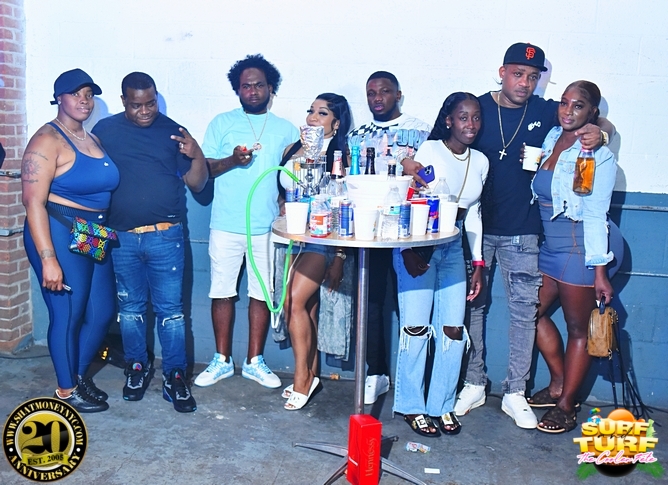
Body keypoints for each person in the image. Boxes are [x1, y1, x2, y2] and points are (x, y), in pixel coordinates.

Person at [405, 43, 614, 429]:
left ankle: (515, 391)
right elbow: (439, 143)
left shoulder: (545, 111)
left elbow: (592, 119)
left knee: (523, 313)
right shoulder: (478, 109)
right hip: (477, 229)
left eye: (533, 77)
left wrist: (600, 134)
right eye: (518, 74)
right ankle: (474, 382)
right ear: (502, 72)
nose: (525, 83)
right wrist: (410, 161)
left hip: (525, 232)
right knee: (473, 309)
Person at [92, 72, 208, 413]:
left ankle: (175, 377)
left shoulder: (174, 131)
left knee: (171, 313)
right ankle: (136, 369)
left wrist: (196, 153)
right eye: (136, 105)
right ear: (123, 101)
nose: (145, 111)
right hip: (122, 238)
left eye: (151, 103)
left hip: (166, 236)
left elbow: (198, 184)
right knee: (130, 311)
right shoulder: (105, 131)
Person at [196, 54, 299, 390]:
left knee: (261, 294)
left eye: (258, 85)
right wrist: (232, 160)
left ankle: (255, 361)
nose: (252, 91)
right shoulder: (221, 123)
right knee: (221, 292)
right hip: (225, 224)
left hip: (267, 227)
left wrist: (286, 202)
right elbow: (205, 170)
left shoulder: (286, 129)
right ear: (237, 90)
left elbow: (292, 176)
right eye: (245, 86)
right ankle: (222, 360)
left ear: (271, 88)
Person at [22, 68, 119, 413]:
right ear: (58, 98)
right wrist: (48, 258)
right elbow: (33, 202)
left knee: (102, 310)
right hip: (59, 229)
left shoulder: (91, 139)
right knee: (68, 313)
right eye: (75, 94)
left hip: (91, 233)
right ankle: (66, 391)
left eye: (89, 94)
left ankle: (76, 376)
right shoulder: (47, 140)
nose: (84, 100)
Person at [528, 81, 622, 433]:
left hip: (579, 247)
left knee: (578, 329)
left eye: (578, 106)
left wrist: (599, 271)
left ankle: (567, 406)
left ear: (592, 113)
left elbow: (596, 215)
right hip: (550, 247)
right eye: (564, 103)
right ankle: (558, 384)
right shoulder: (552, 136)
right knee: (529, 314)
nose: (568, 111)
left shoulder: (596, 154)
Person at [393, 93, 488, 437]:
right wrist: (407, 249)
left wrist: (477, 262)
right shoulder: (431, 150)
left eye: (476, 118)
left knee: (452, 330)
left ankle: (441, 405)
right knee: (416, 328)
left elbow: (473, 213)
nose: (470, 125)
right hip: (420, 243)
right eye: (463, 117)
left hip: (453, 248)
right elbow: (408, 195)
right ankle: (411, 405)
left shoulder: (480, 161)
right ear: (449, 120)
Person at [347, 71, 431, 405]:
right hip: (370, 230)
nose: (377, 98)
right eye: (371, 93)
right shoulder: (356, 136)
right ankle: (376, 373)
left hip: (410, 230)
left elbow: (431, 177)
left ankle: (416, 381)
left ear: (398, 94)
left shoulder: (421, 131)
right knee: (371, 304)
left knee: (412, 305)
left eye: (384, 91)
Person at [278, 93, 353, 410]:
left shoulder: (340, 155)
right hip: (293, 236)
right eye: (311, 110)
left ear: (336, 123)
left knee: (294, 300)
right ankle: (311, 375)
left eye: (322, 113)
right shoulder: (292, 149)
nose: (312, 117)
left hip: (322, 240)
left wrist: (340, 256)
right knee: (303, 306)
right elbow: (284, 190)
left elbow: (344, 203)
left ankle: (301, 380)